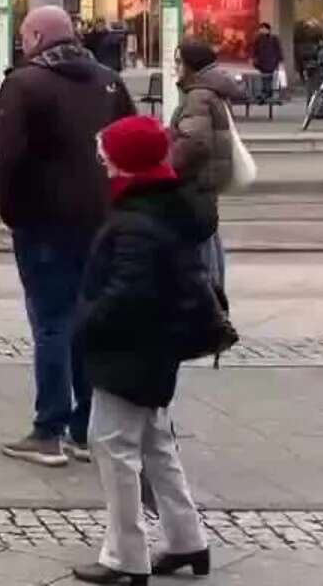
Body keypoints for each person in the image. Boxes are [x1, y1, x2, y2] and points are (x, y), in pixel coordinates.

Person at [70, 115, 216, 586]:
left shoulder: (137, 217)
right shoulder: (164, 204)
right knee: (156, 444)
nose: (102, 162)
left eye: (107, 154)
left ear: (126, 163)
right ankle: (185, 540)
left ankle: (124, 556)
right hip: (155, 347)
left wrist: (88, 324)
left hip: (129, 351)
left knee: (111, 446)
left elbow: (129, 290)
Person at [0, 5, 136, 468]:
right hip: (102, 219)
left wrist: (12, 211)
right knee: (87, 322)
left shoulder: (25, 83)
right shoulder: (107, 80)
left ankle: (48, 430)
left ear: (34, 36)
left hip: (44, 221)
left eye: (23, 36)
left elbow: (6, 155)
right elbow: (131, 143)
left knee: (52, 322)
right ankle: (86, 429)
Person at [167, 41, 240, 291]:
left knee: (201, 252)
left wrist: (167, 164)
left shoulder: (198, 96)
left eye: (179, 61)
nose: (175, 67)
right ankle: (215, 302)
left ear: (191, 66)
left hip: (195, 182)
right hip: (208, 181)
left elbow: (195, 143)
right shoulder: (210, 91)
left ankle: (209, 306)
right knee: (210, 241)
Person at [251, 21, 284, 99]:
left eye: (263, 28)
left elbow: (278, 49)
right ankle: (266, 92)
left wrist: (280, 60)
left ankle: (267, 93)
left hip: (271, 62)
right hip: (262, 62)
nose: (261, 30)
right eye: (261, 29)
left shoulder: (274, 38)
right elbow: (255, 50)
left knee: (269, 77)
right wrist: (254, 59)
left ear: (268, 29)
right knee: (264, 77)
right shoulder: (258, 38)